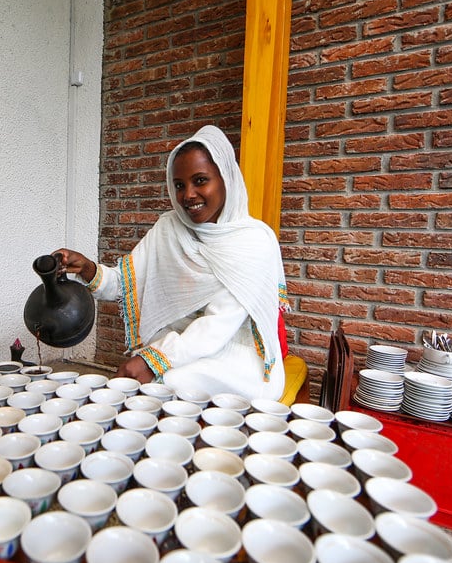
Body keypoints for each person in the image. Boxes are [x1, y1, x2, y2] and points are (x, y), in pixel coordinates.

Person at [55, 124, 295, 401]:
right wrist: (87, 269)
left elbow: (217, 325)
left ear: (226, 178)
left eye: (200, 180)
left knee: (169, 379)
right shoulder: (170, 228)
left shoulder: (254, 241)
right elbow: (125, 284)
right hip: (184, 342)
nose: (188, 195)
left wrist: (153, 360)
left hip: (237, 355)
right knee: (148, 375)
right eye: (180, 185)